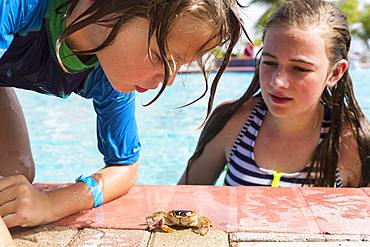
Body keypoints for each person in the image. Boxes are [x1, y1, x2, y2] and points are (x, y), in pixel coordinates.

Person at [0, 0, 245, 227]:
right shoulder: (17, 7)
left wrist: (50, 204)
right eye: (160, 56)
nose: (168, 80)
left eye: (179, 64)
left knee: (15, 174)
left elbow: (125, 167)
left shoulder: (106, 73)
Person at [179, 0, 370, 188]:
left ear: (335, 73)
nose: (277, 82)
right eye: (269, 62)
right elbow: (181, 202)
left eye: (299, 69)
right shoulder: (232, 121)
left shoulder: (351, 142)